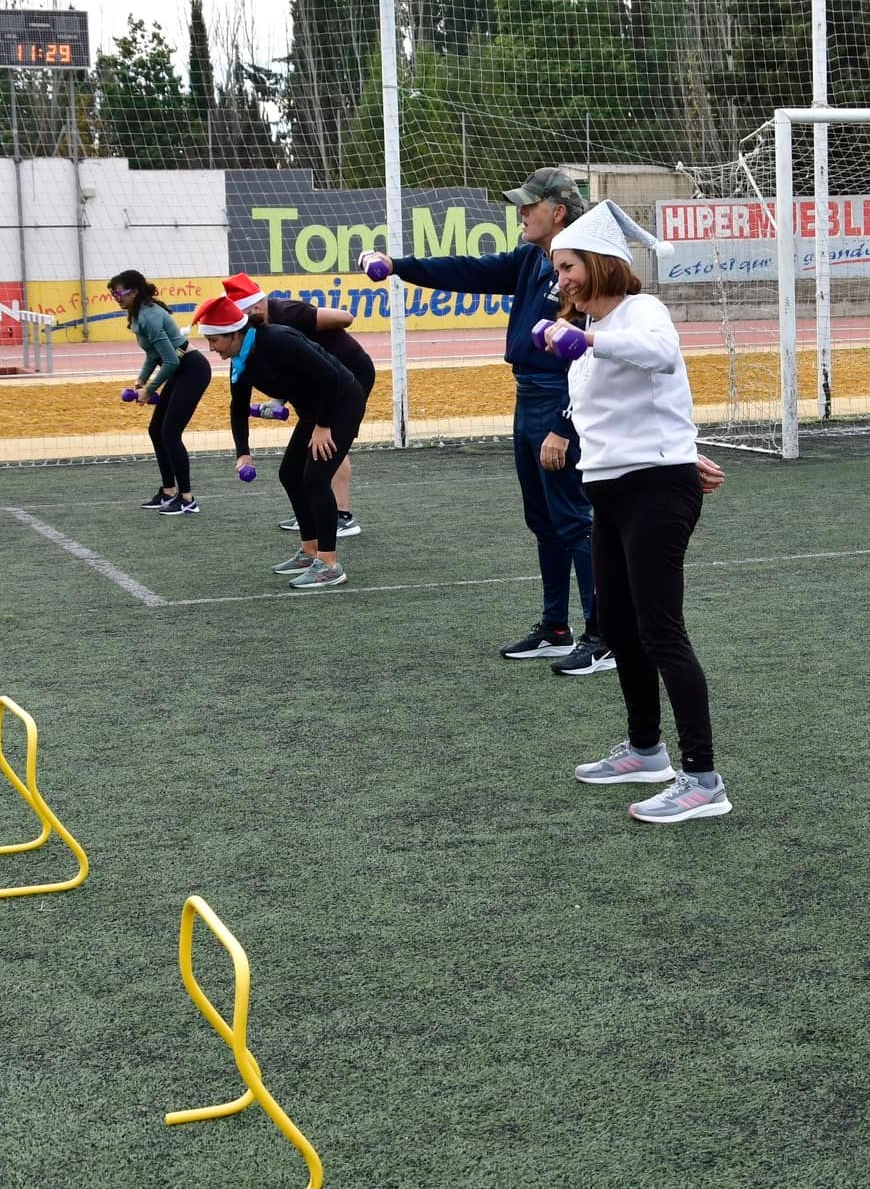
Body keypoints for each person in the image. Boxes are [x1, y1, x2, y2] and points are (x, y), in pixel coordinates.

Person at [359, 168, 612, 677]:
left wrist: (565, 425)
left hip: (561, 400)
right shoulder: (531, 259)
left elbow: (594, 360)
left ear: (557, 212)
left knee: (574, 520)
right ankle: (554, 628)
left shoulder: (587, 270)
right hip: (528, 398)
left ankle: (602, 636)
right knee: (543, 520)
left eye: (528, 205)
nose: (520, 213)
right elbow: (467, 271)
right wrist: (398, 265)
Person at [535, 200, 731, 824]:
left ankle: (704, 781)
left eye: (567, 265)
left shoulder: (641, 312)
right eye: (556, 267)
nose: (559, 277)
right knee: (618, 629)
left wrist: (585, 337)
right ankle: (647, 750)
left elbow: (660, 359)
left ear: (597, 264)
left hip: (653, 490)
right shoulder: (589, 330)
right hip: (613, 489)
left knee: (660, 631)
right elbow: (632, 409)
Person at [192, 294, 366, 590]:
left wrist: (323, 426)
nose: (211, 349)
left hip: (341, 402)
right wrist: (243, 454)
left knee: (315, 478)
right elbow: (237, 407)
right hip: (315, 411)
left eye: (214, 341)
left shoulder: (277, 339)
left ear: (235, 334)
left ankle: (328, 564)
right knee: (289, 474)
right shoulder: (240, 359)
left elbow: (328, 375)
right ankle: (310, 551)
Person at [222, 274, 375, 540]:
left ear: (256, 308)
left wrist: (308, 338)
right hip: (317, 381)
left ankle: (341, 515)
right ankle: (314, 512)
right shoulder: (253, 340)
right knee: (302, 464)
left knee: (329, 445)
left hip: (347, 372)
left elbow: (345, 317)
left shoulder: (288, 314)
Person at [110, 270, 211, 516]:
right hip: (178, 369)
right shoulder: (138, 315)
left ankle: (187, 499)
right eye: (113, 295)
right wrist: (141, 380)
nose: (116, 298)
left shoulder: (150, 316)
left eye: (118, 294)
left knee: (170, 432)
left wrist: (150, 390)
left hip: (192, 369)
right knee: (156, 429)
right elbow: (154, 355)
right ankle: (168, 492)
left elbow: (170, 361)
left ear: (133, 292)